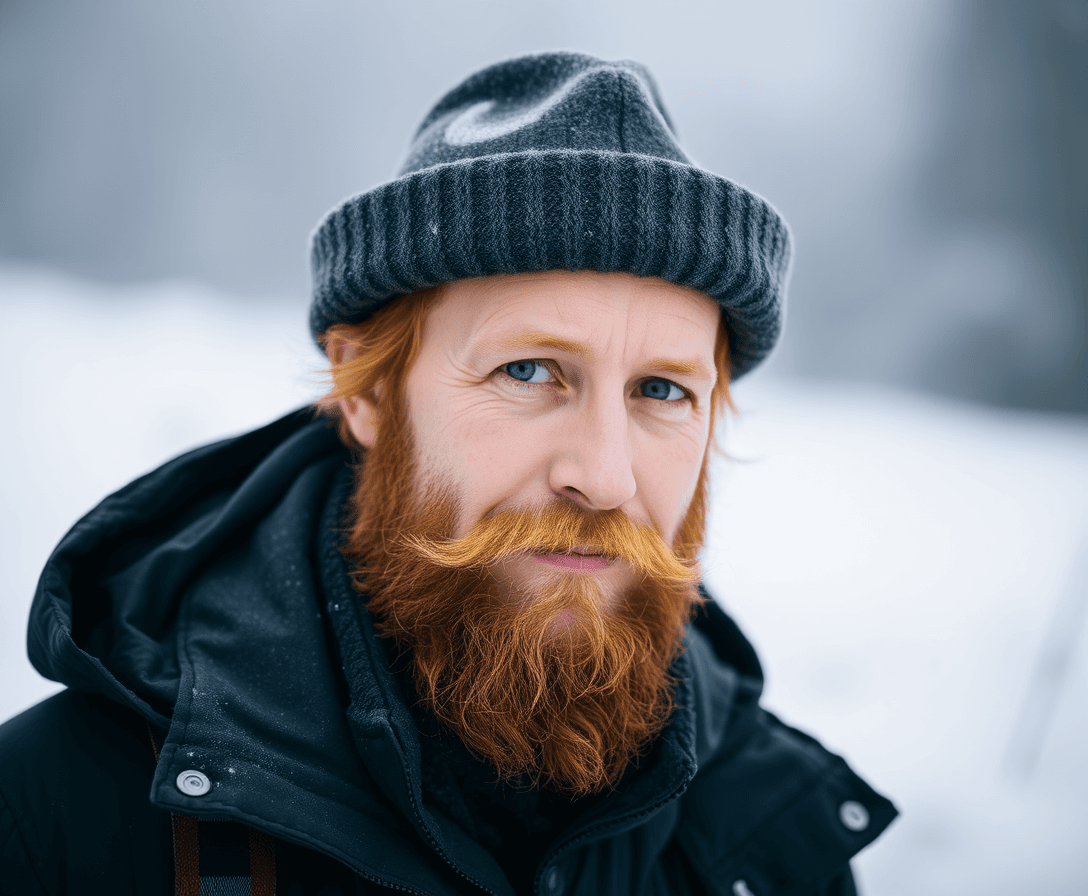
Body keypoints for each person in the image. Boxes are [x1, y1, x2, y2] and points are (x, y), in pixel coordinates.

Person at [0, 52, 896, 895]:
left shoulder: (769, 839)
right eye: (529, 372)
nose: (606, 477)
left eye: (662, 390)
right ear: (371, 394)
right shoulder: (61, 815)